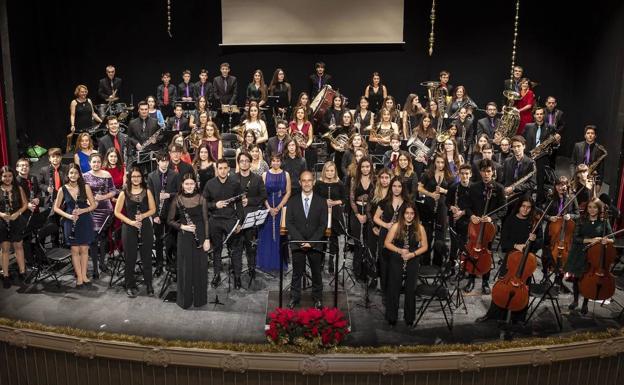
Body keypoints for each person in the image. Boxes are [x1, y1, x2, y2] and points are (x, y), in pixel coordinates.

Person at [475, 197, 542, 327]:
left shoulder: (534, 222)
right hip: (511, 260)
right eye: (523, 206)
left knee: (522, 290)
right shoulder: (510, 220)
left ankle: (518, 317)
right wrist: (516, 245)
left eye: (529, 207)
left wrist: (534, 240)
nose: (526, 209)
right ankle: (493, 314)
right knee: (502, 287)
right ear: (519, 206)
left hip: (526, 263)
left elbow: (540, 244)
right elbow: (504, 243)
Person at [167, 173, 211, 308]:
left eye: (192, 184)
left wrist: (207, 239)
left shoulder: (201, 199)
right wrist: (183, 226)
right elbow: (169, 220)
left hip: (200, 235)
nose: (189, 186)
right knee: (185, 268)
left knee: (201, 268)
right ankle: (184, 300)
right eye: (187, 184)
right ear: (182, 185)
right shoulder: (177, 199)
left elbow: (205, 220)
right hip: (184, 236)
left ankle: (200, 299)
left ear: (196, 184)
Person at [462, 159, 506, 294]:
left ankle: (486, 281)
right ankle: (471, 278)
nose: (486, 174)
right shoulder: (474, 187)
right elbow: (467, 206)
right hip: (475, 226)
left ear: (493, 172)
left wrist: (491, 218)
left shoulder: (499, 189)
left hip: (489, 228)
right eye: (483, 171)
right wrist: (472, 216)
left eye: (488, 171)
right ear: (480, 172)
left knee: (487, 253)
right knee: (472, 251)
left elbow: (503, 210)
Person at [286, 171, 328, 309]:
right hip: (297, 244)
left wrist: (311, 242)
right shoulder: (292, 201)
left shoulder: (321, 202)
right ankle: (294, 297)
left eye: (309, 180)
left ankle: (318, 298)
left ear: (314, 182)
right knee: (297, 272)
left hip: (315, 244)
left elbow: (323, 225)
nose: (307, 183)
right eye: (304, 180)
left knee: (316, 272)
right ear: (300, 182)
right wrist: (300, 242)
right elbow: (289, 223)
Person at [564, 198, 613, 315]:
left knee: (588, 279)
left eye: (595, 207)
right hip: (580, 252)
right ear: (587, 208)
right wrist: (591, 239)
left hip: (594, 256)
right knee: (576, 279)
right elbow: (576, 238)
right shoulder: (581, 220)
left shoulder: (604, 222)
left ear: (599, 209)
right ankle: (575, 301)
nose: (592, 210)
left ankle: (585, 303)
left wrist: (606, 241)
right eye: (590, 207)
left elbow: (612, 238)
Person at [114, 166, 157, 297]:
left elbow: (153, 209)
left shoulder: (147, 191)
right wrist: (131, 222)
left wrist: (143, 216)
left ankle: (149, 284)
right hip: (129, 226)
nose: (136, 179)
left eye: (138, 176)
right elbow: (116, 212)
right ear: (129, 178)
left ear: (142, 178)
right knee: (130, 258)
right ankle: (129, 285)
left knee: (146, 258)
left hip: (144, 226)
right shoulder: (124, 193)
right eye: (133, 177)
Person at [383, 202, 428, 326]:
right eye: (407, 213)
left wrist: (412, 255)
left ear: (415, 214)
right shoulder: (396, 226)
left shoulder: (420, 227)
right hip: (397, 255)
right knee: (393, 288)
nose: (409, 216)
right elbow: (387, 243)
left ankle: (409, 318)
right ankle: (392, 317)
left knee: (410, 289)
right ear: (403, 214)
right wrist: (399, 250)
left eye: (412, 213)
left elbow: (425, 247)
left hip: (412, 256)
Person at [52, 164, 97, 288]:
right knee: (75, 250)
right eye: (71, 173)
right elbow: (56, 208)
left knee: (84, 249)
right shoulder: (63, 189)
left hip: (85, 220)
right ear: (67, 174)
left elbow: (93, 205)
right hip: (70, 221)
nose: (73, 175)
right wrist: (69, 216)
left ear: (79, 174)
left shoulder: (85, 187)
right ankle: (79, 277)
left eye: (75, 173)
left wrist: (83, 210)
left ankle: (84, 275)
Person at [203, 159, 245, 289]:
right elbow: (204, 204)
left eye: (225, 168)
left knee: (236, 250)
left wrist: (240, 222)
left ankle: (237, 277)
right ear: (216, 169)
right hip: (215, 220)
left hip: (231, 220)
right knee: (217, 249)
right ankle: (216, 274)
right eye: (220, 168)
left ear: (228, 169)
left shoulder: (235, 184)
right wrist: (215, 205)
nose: (222, 170)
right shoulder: (209, 184)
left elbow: (239, 204)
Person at [82, 153, 116, 279]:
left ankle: (102, 263)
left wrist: (103, 197)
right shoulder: (84, 176)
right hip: (92, 210)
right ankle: (95, 269)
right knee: (93, 240)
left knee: (103, 239)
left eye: (98, 162)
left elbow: (113, 191)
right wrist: (87, 201)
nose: (96, 164)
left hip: (105, 210)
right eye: (94, 162)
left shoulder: (107, 175)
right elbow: (81, 193)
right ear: (90, 163)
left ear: (101, 163)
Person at [542, 176, 579, 286]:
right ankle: (545, 275)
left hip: (565, 231)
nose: (561, 187)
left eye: (563, 184)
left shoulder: (572, 197)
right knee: (546, 253)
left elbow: (578, 214)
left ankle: (559, 278)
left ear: (566, 186)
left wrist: (570, 215)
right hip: (552, 230)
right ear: (555, 186)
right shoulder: (551, 197)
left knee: (563, 256)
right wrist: (550, 218)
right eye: (558, 184)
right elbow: (544, 213)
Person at [147, 152, 181, 275]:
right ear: (157, 162)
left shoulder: (175, 175)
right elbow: (149, 197)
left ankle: (171, 264)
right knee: (159, 241)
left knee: (171, 240)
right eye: (162, 161)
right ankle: (159, 264)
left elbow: (179, 193)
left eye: (166, 161)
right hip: (158, 213)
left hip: (171, 213)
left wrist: (169, 195)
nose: (164, 163)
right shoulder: (151, 176)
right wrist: (154, 215)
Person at [236, 152, 268, 280]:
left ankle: (252, 268)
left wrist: (248, 201)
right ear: (238, 163)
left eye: (246, 161)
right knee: (237, 248)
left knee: (251, 247)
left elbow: (263, 196)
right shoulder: (233, 178)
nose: (244, 163)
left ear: (250, 163)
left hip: (251, 217)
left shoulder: (257, 178)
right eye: (241, 161)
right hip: (237, 218)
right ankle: (237, 272)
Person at [374, 176, 407, 297]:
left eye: (399, 186)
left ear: (403, 188)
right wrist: (386, 225)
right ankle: (384, 291)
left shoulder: (408, 203)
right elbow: (375, 218)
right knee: (384, 264)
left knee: (397, 264)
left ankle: (395, 290)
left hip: (400, 236)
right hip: (385, 235)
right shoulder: (384, 201)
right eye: (394, 186)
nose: (396, 189)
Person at [417, 154, 453, 266]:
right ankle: (425, 261)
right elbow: (419, 188)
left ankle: (438, 262)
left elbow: (452, 193)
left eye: (442, 162)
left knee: (440, 235)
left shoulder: (449, 176)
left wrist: (443, 190)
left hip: (442, 208)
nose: (440, 165)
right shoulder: (428, 174)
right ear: (434, 163)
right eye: (438, 162)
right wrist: (431, 194)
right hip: (428, 206)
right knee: (426, 233)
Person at [257, 154, 291, 272]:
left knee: (279, 235)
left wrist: (278, 207)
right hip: (267, 207)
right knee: (266, 235)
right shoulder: (265, 175)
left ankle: (279, 262)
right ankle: (266, 262)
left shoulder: (286, 174)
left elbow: (288, 192)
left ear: (281, 162)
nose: (276, 163)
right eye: (274, 161)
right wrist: (269, 208)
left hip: (281, 207)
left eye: (278, 161)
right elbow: (262, 193)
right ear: (270, 162)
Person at [523, 107, 561, 203]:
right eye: (537, 114)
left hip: (542, 158)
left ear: (544, 115)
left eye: (541, 114)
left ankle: (539, 203)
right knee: (527, 180)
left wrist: (557, 141)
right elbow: (522, 139)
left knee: (540, 181)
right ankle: (526, 201)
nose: (539, 116)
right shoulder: (528, 126)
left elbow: (554, 145)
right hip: (529, 157)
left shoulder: (551, 127)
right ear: (534, 115)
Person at [315, 161, 346, 274]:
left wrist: (336, 202)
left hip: (335, 213)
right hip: (321, 214)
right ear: (324, 171)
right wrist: (324, 202)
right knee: (322, 238)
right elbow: (314, 198)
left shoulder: (339, 183)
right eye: (327, 170)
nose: (329, 173)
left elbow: (345, 198)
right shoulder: (318, 183)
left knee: (333, 238)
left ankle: (332, 261)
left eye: (332, 170)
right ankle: (321, 260)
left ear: (335, 171)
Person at [0, 166, 28, 288]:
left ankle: (22, 272)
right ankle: (5, 275)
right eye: (4, 176)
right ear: (1, 177)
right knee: (5, 249)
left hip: (16, 220)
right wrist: (1, 214)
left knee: (18, 246)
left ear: (12, 176)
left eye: (10, 176)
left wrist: (18, 213)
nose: (7, 178)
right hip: (2, 222)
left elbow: (25, 204)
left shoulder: (18, 188)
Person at [349, 157, 376, 281]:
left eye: (367, 166)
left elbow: (374, 199)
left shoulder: (375, 180)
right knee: (358, 242)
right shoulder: (354, 179)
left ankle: (369, 270)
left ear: (371, 167)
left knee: (369, 242)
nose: (365, 169)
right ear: (359, 167)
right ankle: (357, 270)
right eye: (363, 166)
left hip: (370, 214)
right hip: (356, 213)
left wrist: (366, 214)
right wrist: (358, 215)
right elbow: (352, 199)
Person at [366, 168, 391, 289]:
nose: (384, 180)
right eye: (382, 178)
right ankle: (373, 277)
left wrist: (384, 228)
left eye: (387, 178)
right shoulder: (374, 191)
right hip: (373, 227)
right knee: (371, 252)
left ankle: (383, 279)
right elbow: (368, 210)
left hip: (387, 229)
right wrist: (373, 227)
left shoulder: (394, 193)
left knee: (383, 254)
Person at [15, 158, 42, 266]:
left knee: (37, 235)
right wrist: (26, 205)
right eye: (21, 165)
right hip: (24, 215)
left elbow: (38, 192)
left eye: (26, 165)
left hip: (35, 211)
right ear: (17, 168)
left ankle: (39, 258)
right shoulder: (15, 182)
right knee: (26, 239)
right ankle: (30, 262)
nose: (24, 167)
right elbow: (15, 200)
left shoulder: (33, 178)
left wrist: (38, 199)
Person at [446, 164, 472, 273]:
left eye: (467, 174)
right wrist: (451, 207)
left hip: (467, 221)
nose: (464, 176)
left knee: (464, 245)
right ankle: (451, 266)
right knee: (454, 245)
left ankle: (464, 268)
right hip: (455, 221)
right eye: (462, 173)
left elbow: (475, 206)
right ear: (459, 174)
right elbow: (447, 202)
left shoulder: (474, 188)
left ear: (470, 174)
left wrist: (463, 212)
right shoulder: (453, 187)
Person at [502, 136, 536, 200]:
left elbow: (532, 184)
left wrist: (514, 188)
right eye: (514, 147)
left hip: (523, 196)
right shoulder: (507, 161)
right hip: (508, 196)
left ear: (524, 146)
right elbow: (503, 180)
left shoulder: (530, 163)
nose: (516, 149)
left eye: (518, 146)